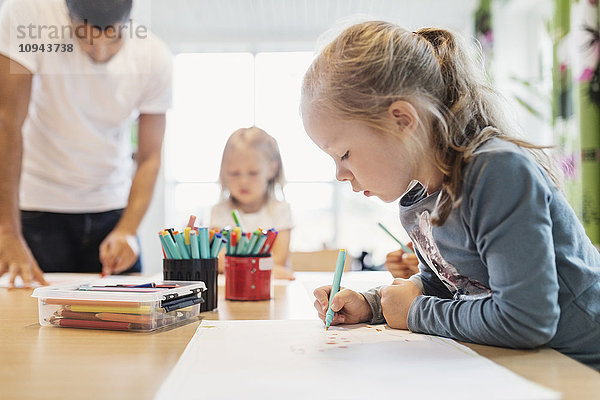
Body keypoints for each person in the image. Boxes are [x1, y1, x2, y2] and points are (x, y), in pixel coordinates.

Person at [304, 21, 600, 369]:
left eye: (344, 154)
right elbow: (455, 290)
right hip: (520, 364)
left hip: (579, 367)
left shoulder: (498, 173)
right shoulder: (418, 202)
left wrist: (414, 312)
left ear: (401, 120)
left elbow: (526, 320)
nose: (340, 175)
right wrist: (374, 305)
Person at [0, 0, 172, 287]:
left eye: (113, 38)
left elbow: (150, 156)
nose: (100, 52)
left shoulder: (154, 57)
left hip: (112, 215)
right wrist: (7, 232)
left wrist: (127, 230)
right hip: (36, 210)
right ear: (68, 18)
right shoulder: (30, 15)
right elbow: (7, 123)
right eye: (85, 38)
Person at [210, 127, 295, 280]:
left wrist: (237, 266)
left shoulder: (280, 210)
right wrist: (264, 267)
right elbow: (219, 262)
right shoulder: (219, 211)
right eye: (234, 173)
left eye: (253, 173)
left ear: (272, 169)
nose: (243, 181)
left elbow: (279, 261)